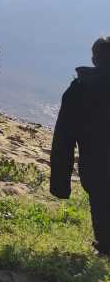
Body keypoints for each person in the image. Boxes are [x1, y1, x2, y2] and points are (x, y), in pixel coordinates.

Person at [50, 36, 110, 257]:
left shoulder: (80, 88)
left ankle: (105, 246)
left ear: (94, 60)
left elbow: (63, 138)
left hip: (95, 162)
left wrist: (60, 184)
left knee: (101, 202)